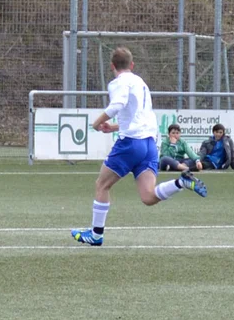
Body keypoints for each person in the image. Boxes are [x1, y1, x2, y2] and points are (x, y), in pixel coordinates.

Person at [71, 47, 207, 246]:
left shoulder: (118, 82)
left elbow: (117, 105)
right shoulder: (141, 83)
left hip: (130, 144)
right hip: (149, 144)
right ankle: (181, 183)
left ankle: (96, 235)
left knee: (102, 185)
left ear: (112, 66)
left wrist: (96, 122)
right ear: (132, 65)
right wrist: (114, 127)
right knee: (148, 196)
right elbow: (141, 116)